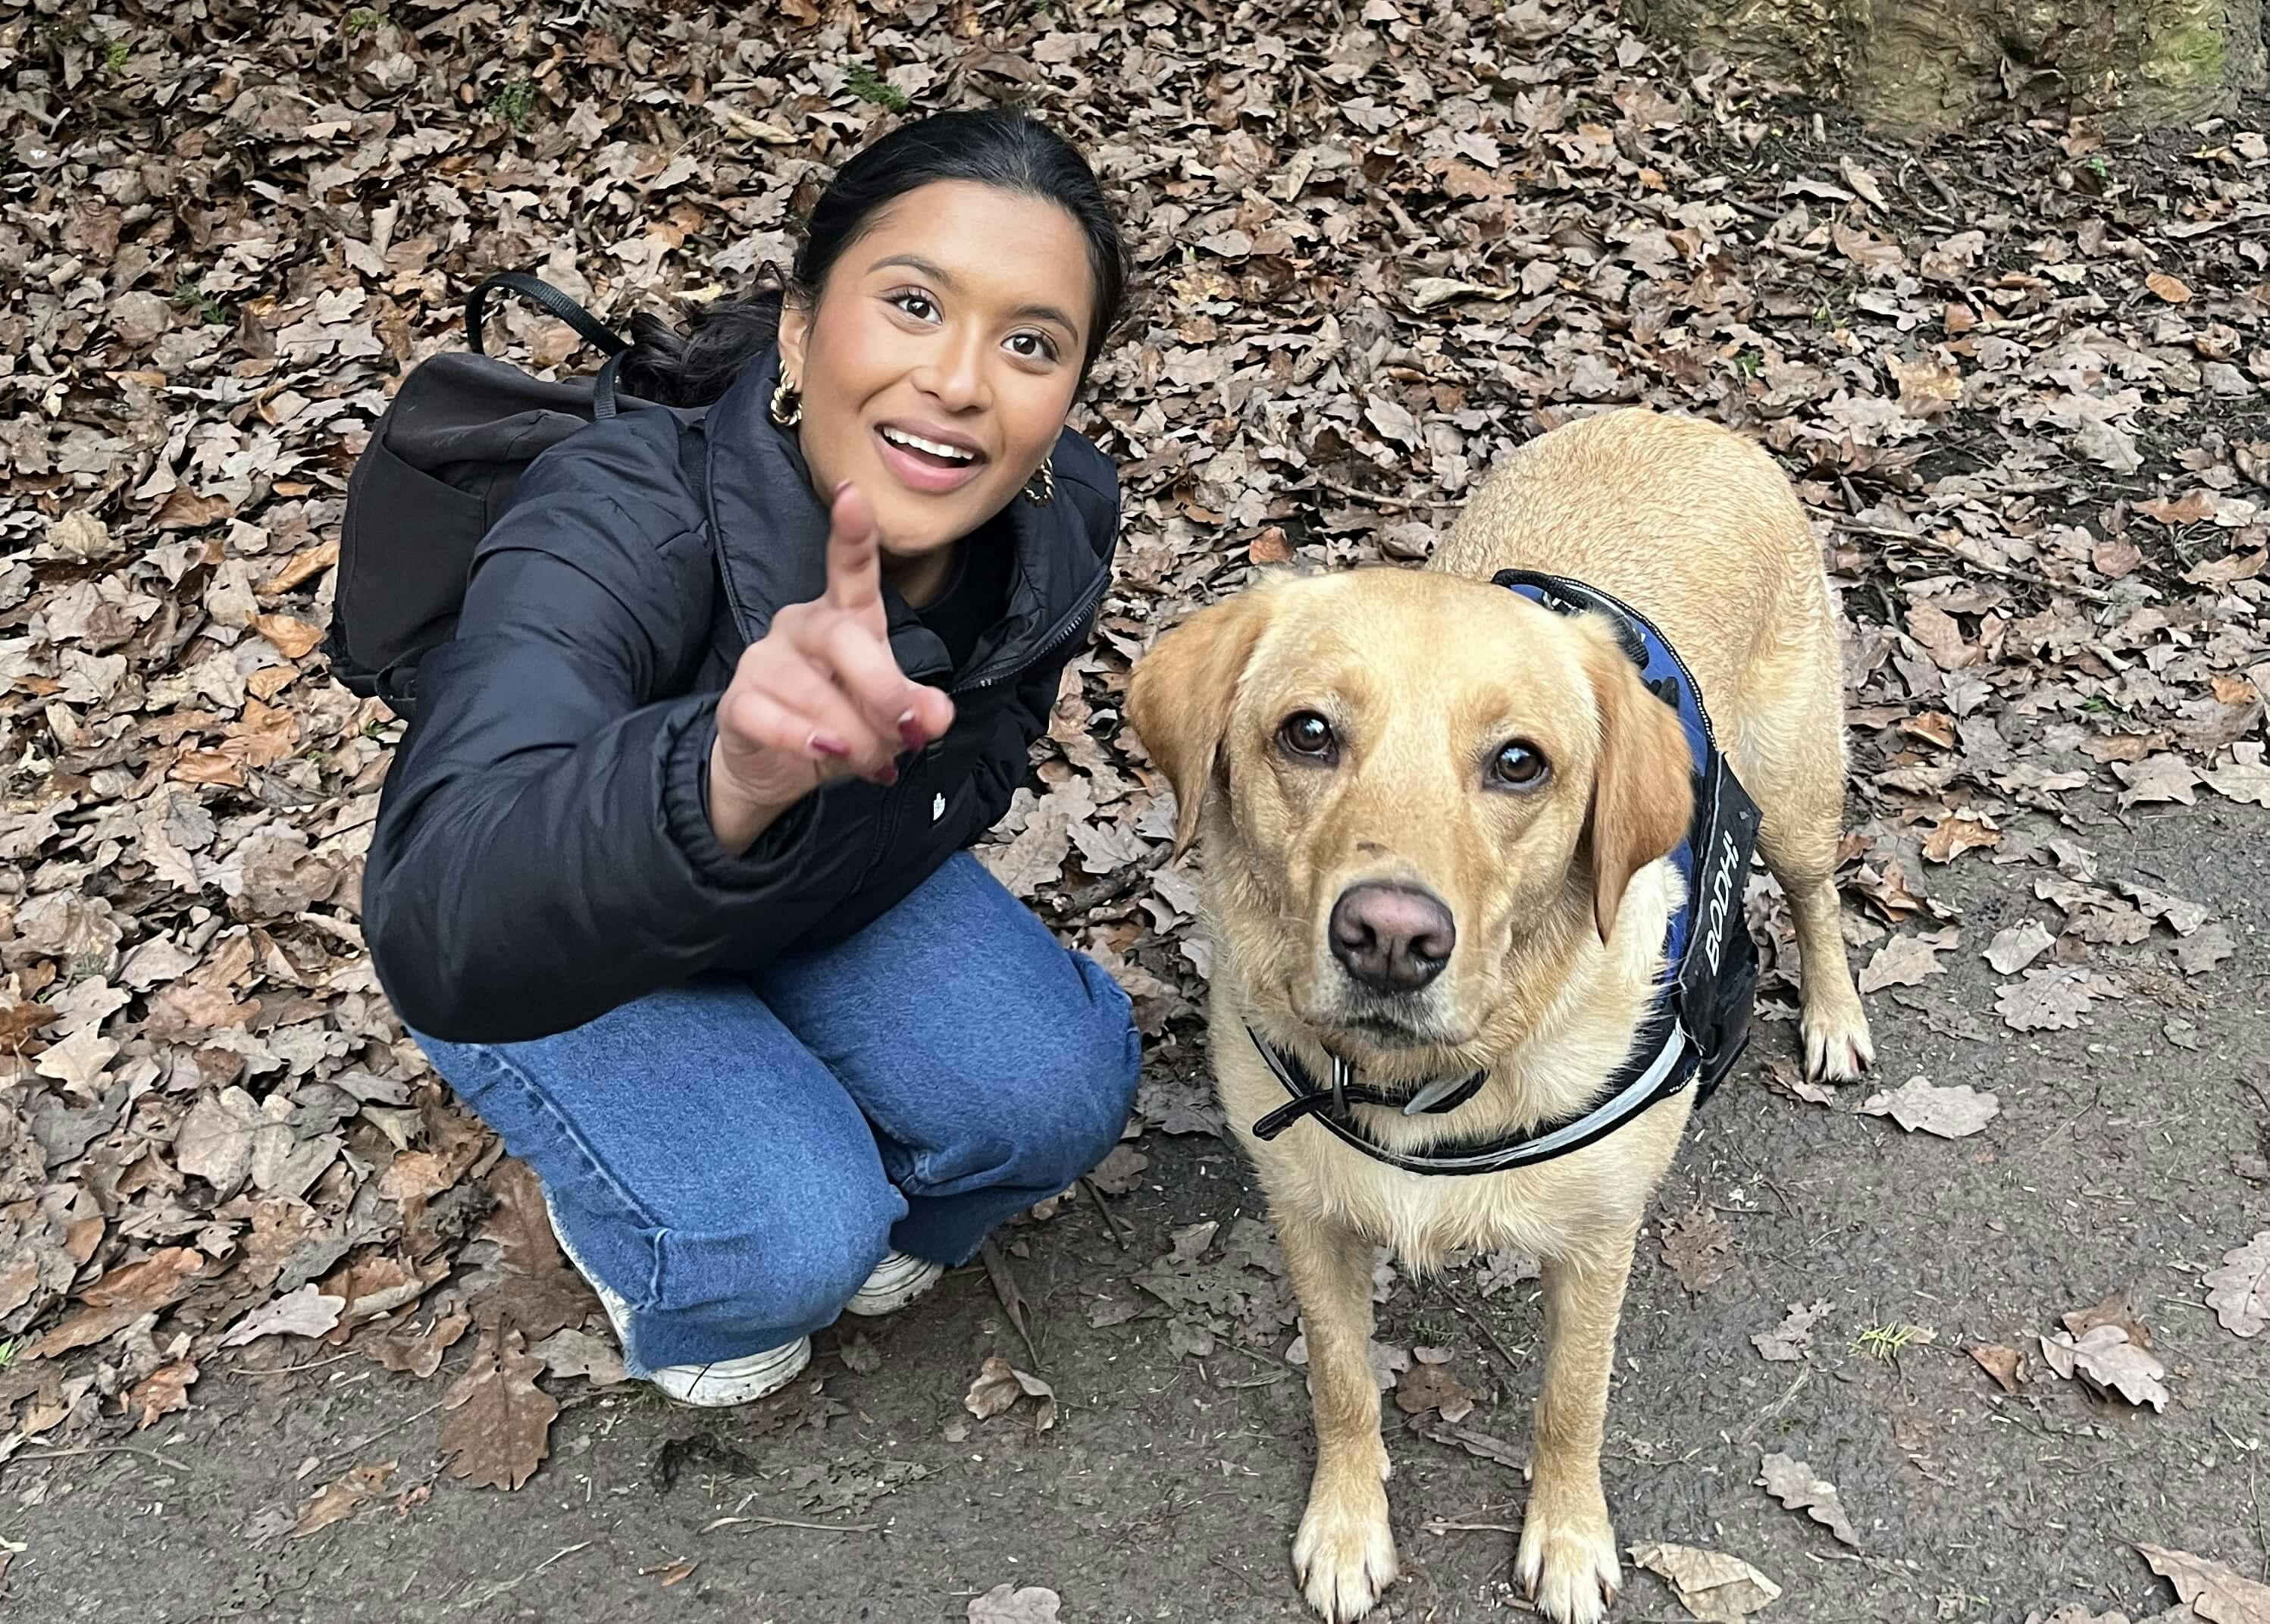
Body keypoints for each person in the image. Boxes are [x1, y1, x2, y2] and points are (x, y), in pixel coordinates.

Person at [363, 111, 1140, 1406]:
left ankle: (781, 1119)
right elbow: (443, 920)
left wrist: (808, 836)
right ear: (798, 326)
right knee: (785, 1248)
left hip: (822, 883)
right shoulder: (615, 517)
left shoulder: (1058, 521)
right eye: (910, 303)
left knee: (1057, 1098)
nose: (959, 380)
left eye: (1029, 343)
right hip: (570, 920)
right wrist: (724, 782)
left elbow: (986, 767)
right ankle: (660, 1242)